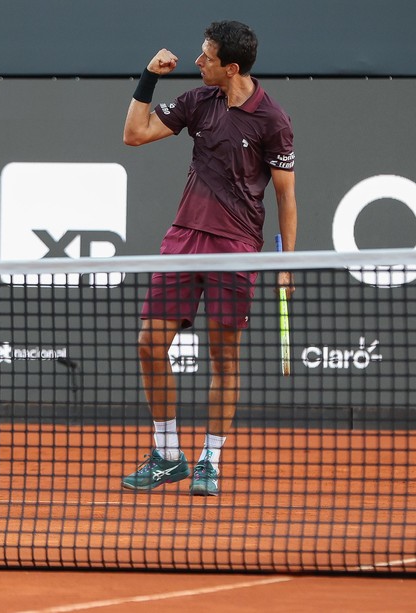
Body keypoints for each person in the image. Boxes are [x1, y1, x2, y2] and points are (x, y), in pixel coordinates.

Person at [120, 21, 297, 496]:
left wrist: (286, 262)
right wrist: (148, 76)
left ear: (231, 66)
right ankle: (167, 454)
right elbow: (134, 135)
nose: (197, 62)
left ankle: (209, 461)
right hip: (183, 239)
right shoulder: (198, 103)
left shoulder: (272, 121)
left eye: (206, 56)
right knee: (148, 344)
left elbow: (286, 198)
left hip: (235, 246)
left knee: (224, 359)